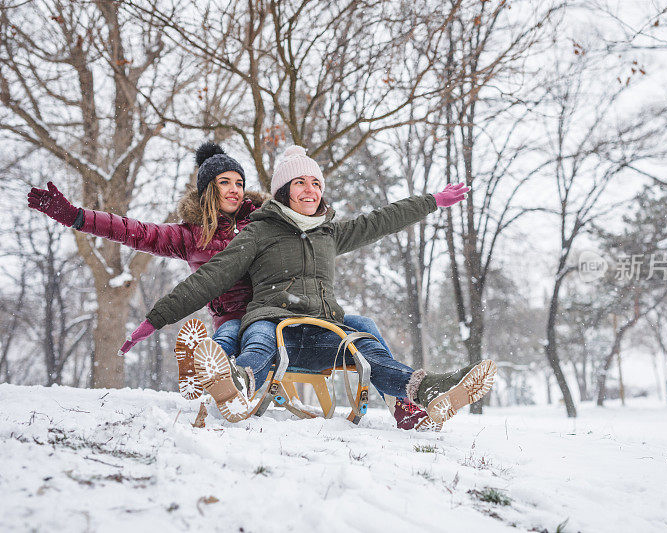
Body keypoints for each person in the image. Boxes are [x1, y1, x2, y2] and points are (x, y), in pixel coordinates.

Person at [28, 142, 433, 429]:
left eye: (239, 182)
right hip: (235, 315)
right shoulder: (190, 236)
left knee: (364, 328)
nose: (235, 190)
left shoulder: (263, 219)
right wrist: (77, 217)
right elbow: (134, 231)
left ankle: (403, 400)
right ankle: (208, 374)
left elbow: (336, 224)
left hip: (279, 309)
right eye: (225, 183)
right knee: (231, 334)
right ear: (208, 190)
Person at [120, 145, 497, 426]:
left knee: (364, 346)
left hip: (322, 331)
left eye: (316, 182)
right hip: (271, 321)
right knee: (259, 338)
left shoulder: (330, 233)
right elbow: (211, 276)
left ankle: (425, 389)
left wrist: (431, 201)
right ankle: (238, 385)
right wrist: (153, 320)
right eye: (299, 182)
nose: (310, 189)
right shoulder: (259, 231)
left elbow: (383, 219)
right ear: (284, 191)